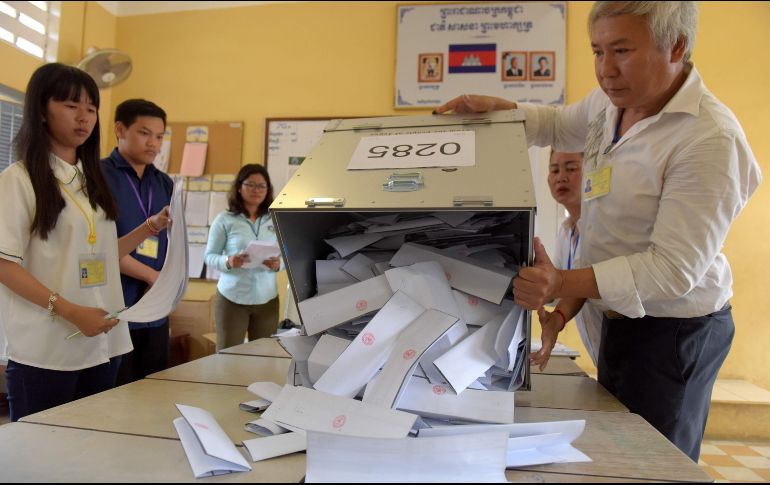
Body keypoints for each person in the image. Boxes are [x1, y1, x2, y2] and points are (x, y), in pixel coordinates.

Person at [435, 1, 761, 462]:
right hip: (617, 318)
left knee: (654, 460)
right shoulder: (611, 102)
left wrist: (562, 282)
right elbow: (558, 125)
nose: (606, 70)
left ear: (677, 46)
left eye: (622, 51)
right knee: (622, 445)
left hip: (673, 331)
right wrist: (500, 110)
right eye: (597, 51)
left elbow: (672, 271)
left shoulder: (708, 140)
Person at [0, 63, 170, 422]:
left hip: (102, 344)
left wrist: (148, 228)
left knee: (88, 450)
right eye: (70, 105)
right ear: (41, 111)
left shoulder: (91, 180)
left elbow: (105, 256)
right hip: (47, 347)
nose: (84, 117)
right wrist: (70, 311)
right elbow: (3, 264)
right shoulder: (20, 179)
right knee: (40, 460)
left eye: (91, 108)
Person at [101, 99, 173, 385]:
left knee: (152, 388)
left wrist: (163, 280)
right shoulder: (98, 176)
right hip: (115, 305)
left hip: (154, 306)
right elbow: (100, 247)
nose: (153, 143)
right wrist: (150, 276)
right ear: (120, 129)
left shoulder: (164, 182)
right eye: (144, 133)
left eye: (159, 136)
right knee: (115, 392)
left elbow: (169, 241)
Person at [531, 151, 603, 371]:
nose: (561, 177)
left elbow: (584, 285)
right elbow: (564, 289)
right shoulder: (565, 231)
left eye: (571, 169)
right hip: (600, 345)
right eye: (554, 170)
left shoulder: (603, 227)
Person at [205, 164, 282, 352]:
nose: (257, 190)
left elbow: (286, 255)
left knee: (263, 357)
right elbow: (209, 257)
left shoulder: (275, 218)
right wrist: (228, 261)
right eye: (251, 185)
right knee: (228, 356)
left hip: (267, 299)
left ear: (268, 190)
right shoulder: (225, 219)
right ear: (239, 187)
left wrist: (278, 265)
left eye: (262, 186)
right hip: (232, 298)